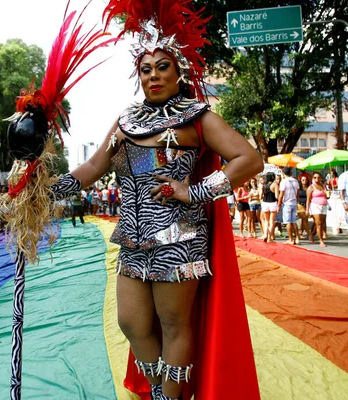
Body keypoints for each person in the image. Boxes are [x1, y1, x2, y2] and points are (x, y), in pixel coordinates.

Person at [47, 3, 263, 397]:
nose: (153, 75)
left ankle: (169, 397)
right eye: (145, 70)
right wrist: (45, 189)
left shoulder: (197, 117)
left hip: (179, 239)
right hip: (131, 238)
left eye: (162, 67)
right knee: (131, 322)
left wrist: (195, 191)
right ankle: (159, 389)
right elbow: (94, 167)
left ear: (179, 72)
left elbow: (250, 159)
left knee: (174, 324)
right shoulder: (126, 120)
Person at [277, 167, 300, 245]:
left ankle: (291, 239)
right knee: (293, 221)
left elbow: (281, 195)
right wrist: (296, 201)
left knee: (287, 222)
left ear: (283, 173)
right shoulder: (295, 180)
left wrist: (278, 205)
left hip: (287, 203)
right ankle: (297, 238)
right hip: (294, 203)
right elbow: (297, 193)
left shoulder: (283, 182)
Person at [306, 172, 329, 247]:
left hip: (324, 205)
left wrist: (328, 194)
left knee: (321, 223)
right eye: (315, 177)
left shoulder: (323, 186)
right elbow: (308, 200)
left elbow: (326, 196)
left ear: (321, 178)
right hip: (315, 206)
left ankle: (312, 235)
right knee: (319, 224)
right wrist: (307, 210)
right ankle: (321, 240)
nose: (317, 179)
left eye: (318, 177)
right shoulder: (311, 187)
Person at [259, 172, 279, 243]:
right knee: (271, 221)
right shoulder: (275, 184)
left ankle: (265, 234)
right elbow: (277, 196)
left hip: (265, 203)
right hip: (272, 202)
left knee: (266, 220)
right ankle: (269, 237)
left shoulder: (263, 185)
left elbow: (260, 196)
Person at [297, 174, 310, 239]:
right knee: (304, 219)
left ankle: (301, 232)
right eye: (303, 180)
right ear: (301, 181)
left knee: (304, 220)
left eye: (306, 180)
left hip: (307, 205)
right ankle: (309, 234)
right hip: (300, 205)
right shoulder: (298, 188)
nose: (304, 181)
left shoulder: (309, 188)